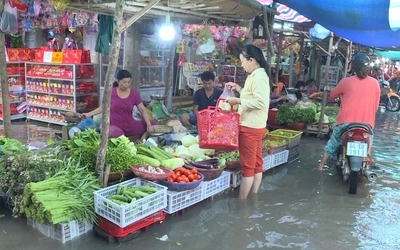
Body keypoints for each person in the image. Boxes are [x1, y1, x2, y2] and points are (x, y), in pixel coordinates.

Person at [317, 53, 380, 170]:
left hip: (345, 123)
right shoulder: (375, 83)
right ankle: (367, 158)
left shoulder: (345, 81)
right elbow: (376, 106)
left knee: (333, 143)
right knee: (369, 141)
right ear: (368, 68)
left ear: (354, 68)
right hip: (366, 125)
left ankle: (320, 166)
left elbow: (332, 95)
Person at [225, 45, 270, 199]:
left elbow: (261, 102)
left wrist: (237, 100)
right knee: (257, 163)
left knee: (248, 167)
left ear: (251, 60)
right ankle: (254, 197)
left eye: (243, 61)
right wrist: (239, 89)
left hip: (250, 126)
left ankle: (243, 202)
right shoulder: (256, 75)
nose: (242, 65)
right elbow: (251, 97)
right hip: (256, 125)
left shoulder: (258, 77)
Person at [82, 70, 155, 139]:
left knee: (154, 123)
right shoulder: (111, 93)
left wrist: (148, 125)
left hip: (130, 126)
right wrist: (88, 114)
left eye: (129, 82)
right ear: (118, 81)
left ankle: (143, 137)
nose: (127, 84)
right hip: (115, 127)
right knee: (114, 133)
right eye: (124, 82)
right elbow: (103, 108)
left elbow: (142, 110)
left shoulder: (134, 94)